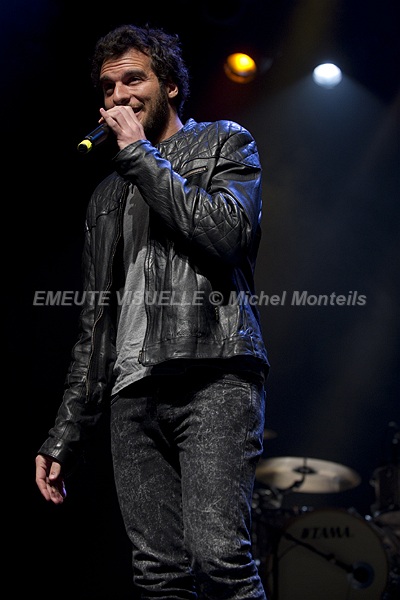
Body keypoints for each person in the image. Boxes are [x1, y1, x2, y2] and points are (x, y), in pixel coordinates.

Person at [35, 23, 270, 600]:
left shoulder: (224, 142)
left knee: (220, 558)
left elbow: (227, 234)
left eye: (133, 80)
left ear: (169, 85)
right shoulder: (105, 196)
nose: (119, 95)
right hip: (131, 394)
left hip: (212, 377)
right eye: (108, 87)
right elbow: (95, 324)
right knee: (158, 574)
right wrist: (64, 434)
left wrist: (140, 155)